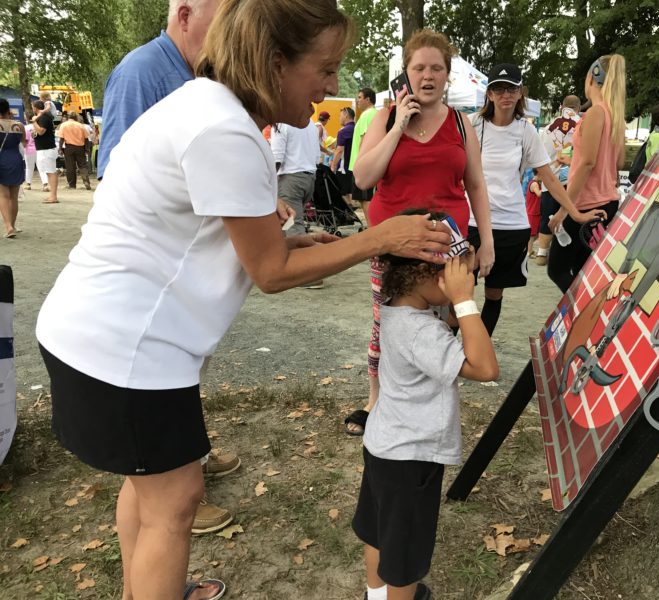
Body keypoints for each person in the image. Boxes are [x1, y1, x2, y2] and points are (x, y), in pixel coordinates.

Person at [35, 3, 450, 599]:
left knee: (147, 490)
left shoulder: (207, 107)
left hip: (93, 335)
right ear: (275, 61)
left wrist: (295, 243)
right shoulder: (224, 129)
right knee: (173, 505)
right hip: (127, 352)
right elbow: (273, 272)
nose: (333, 85)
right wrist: (380, 237)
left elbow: (224, 242)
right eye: (325, 68)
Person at [96, 0, 256, 550]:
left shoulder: (199, 77)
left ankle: (189, 462)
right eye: (228, 16)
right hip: (147, 285)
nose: (239, 30)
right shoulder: (144, 71)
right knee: (162, 478)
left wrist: (246, 207)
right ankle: (179, 483)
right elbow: (120, 164)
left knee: (177, 387)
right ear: (186, 15)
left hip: (174, 289)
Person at [348, 29, 494, 436]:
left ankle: (434, 401)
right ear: (406, 74)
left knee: (446, 322)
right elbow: (363, 175)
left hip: (449, 245)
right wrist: (399, 125)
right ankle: (377, 399)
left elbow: (477, 185)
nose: (427, 76)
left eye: (436, 68)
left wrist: (488, 242)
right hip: (393, 244)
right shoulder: (386, 117)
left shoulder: (462, 124)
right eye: (419, 68)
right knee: (386, 322)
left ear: (448, 75)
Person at [352, 211, 499, 600]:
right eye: (457, 277)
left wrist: (452, 296)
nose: (464, 285)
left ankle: (374, 595)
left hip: (384, 446)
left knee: (379, 532)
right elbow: (485, 367)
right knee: (405, 558)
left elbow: (445, 324)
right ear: (423, 277)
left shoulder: (399, 309)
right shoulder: (421, 332)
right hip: (412, 458)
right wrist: (465, 302)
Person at [467, 63, 601, 337]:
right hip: (471, 222)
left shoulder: (525, 131)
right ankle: (450, 354)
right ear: (489, 94)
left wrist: (573, 212)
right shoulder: (472, 124)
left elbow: (549, 177)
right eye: (499, 89)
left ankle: (475, 355)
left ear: (520, 94)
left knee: (494, 294)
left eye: (512, 88)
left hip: (509, 225)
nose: (506, 94)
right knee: (460, 294)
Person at [97, 0, 220, 179]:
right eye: (220, 26)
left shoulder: (203, 73)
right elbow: (115, 176)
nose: (228, 37)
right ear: (185, 17)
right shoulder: (138, 73)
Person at [547, 55, 627, 293]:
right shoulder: (616, 115)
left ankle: (582, 322)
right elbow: (616, 162)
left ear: (591, 78)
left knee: (559, 270)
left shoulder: (595, 113)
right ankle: (578, 326)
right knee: (584, 271)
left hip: (586, 204)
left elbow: (588, 163)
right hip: (607, 201)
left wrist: (564, 209)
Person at [533, 94, 581, 266]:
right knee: (569, 215)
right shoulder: (581, 124)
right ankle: (565, 252)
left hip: (550, 178)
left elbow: (539, 153)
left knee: (547, 215)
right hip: (573, 178)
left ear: (561, 106)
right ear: (579, 107)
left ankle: (542, 252)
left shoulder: (547, 129)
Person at [350, 87, 378, 220]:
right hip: (365, 164)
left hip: (362, 166)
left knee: (366, 200)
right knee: (365, 199)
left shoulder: (367, 115)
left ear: (368, 99)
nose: (357, 100)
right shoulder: (375, 114)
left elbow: (365, 139)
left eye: (360, 97)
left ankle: (371, 228)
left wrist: (362, 163)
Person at [0, 98, 25, 238]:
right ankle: (13, 225)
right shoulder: (19, 125)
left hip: (1, 159)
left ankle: (8, 226)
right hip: (15, 159)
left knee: (3, 195)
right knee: (13, 197)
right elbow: (23, 145)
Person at [31, 100, 59, 204]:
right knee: (48, 172)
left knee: (51, 172)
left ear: (36, 108)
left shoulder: (43, 117)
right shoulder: (43, 117)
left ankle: (53, 196)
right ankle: (52, 195)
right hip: (44, 149)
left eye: (33, 107)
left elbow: (41, 131)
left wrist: (34, 122)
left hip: (47, 149)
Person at [58, 112, 91, 190]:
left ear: (68, 117)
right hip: (80, 148)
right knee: (83, 165)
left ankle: (72, 185)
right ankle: (86, 181)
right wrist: (87, 149)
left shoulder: (63, 125)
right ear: (76, 117)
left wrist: (60, 148)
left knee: (70, 167)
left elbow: (61, 139)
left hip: (69, 148)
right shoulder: (81, 126)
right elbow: (86, 139)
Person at [331, 106, 355, 206]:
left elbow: (339, 150)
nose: (339, 118)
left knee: (342, 193)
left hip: (344, 168)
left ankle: (347, 215)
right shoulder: (357, 128)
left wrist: (333, 165)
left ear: (345, 115)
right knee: (350, 193)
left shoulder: (343, 131)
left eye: (340, 116)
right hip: (356, 166)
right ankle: (351, 214)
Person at [23, 111, 40, 191]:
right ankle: (45, 184)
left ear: (26, 117)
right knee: (41, 167)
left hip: (29, 149)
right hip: (39, 148)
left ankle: (28, 184)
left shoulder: (26, 128)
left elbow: (25, 140)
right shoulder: (37, 126)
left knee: (29, 168)